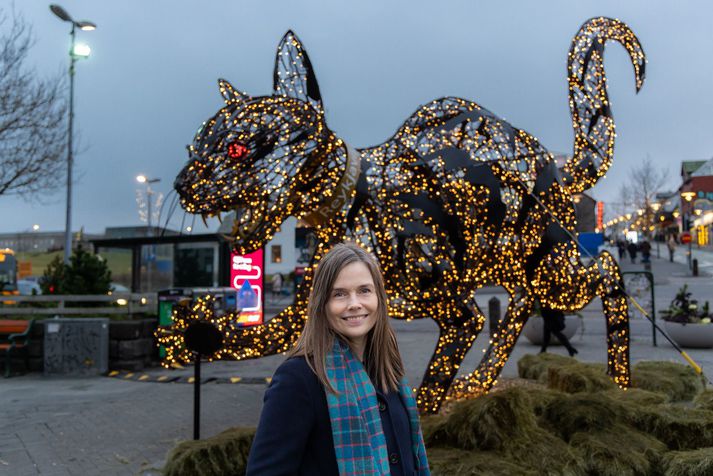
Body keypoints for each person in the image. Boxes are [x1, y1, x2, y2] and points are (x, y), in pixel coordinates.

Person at [246, 242, 430, 475]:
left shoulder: (389, 370)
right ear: (322, 305)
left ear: (379, 299)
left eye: (364, 290)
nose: (354, 304)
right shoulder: (299, 378)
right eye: (339, 294)